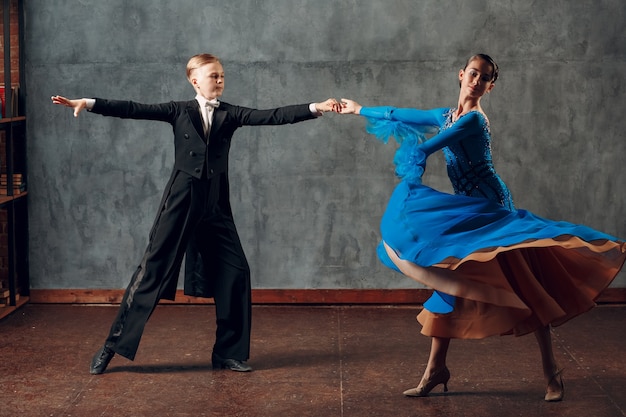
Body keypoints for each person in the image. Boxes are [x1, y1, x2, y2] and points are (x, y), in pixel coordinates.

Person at [338, 53, 626, 401]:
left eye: (484, 77)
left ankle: (552, 373)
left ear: (489, 87)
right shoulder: (446, 115)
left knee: (525, 289)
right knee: (448, 282)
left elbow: (430, 145)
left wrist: (416, 156)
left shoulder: (473, 120)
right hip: (470, 211)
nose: (476, 80)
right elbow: (398, 114)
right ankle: (436, 371)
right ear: (461, 75)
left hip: (493, 210)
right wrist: (359, 109)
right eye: (473, 73)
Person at [52, 53, 340, 374]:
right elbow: (133, 109)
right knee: (152, 274)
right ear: (195, 80)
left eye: (221, 76)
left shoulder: (230, 114)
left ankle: (228, 353)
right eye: (213, 76)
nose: (219, 81)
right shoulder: (178, 110)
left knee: (236, 272)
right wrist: (89, 103)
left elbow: (271, 116)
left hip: (215, 204)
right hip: (181, 200)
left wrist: (316, 107)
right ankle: (111, 346)